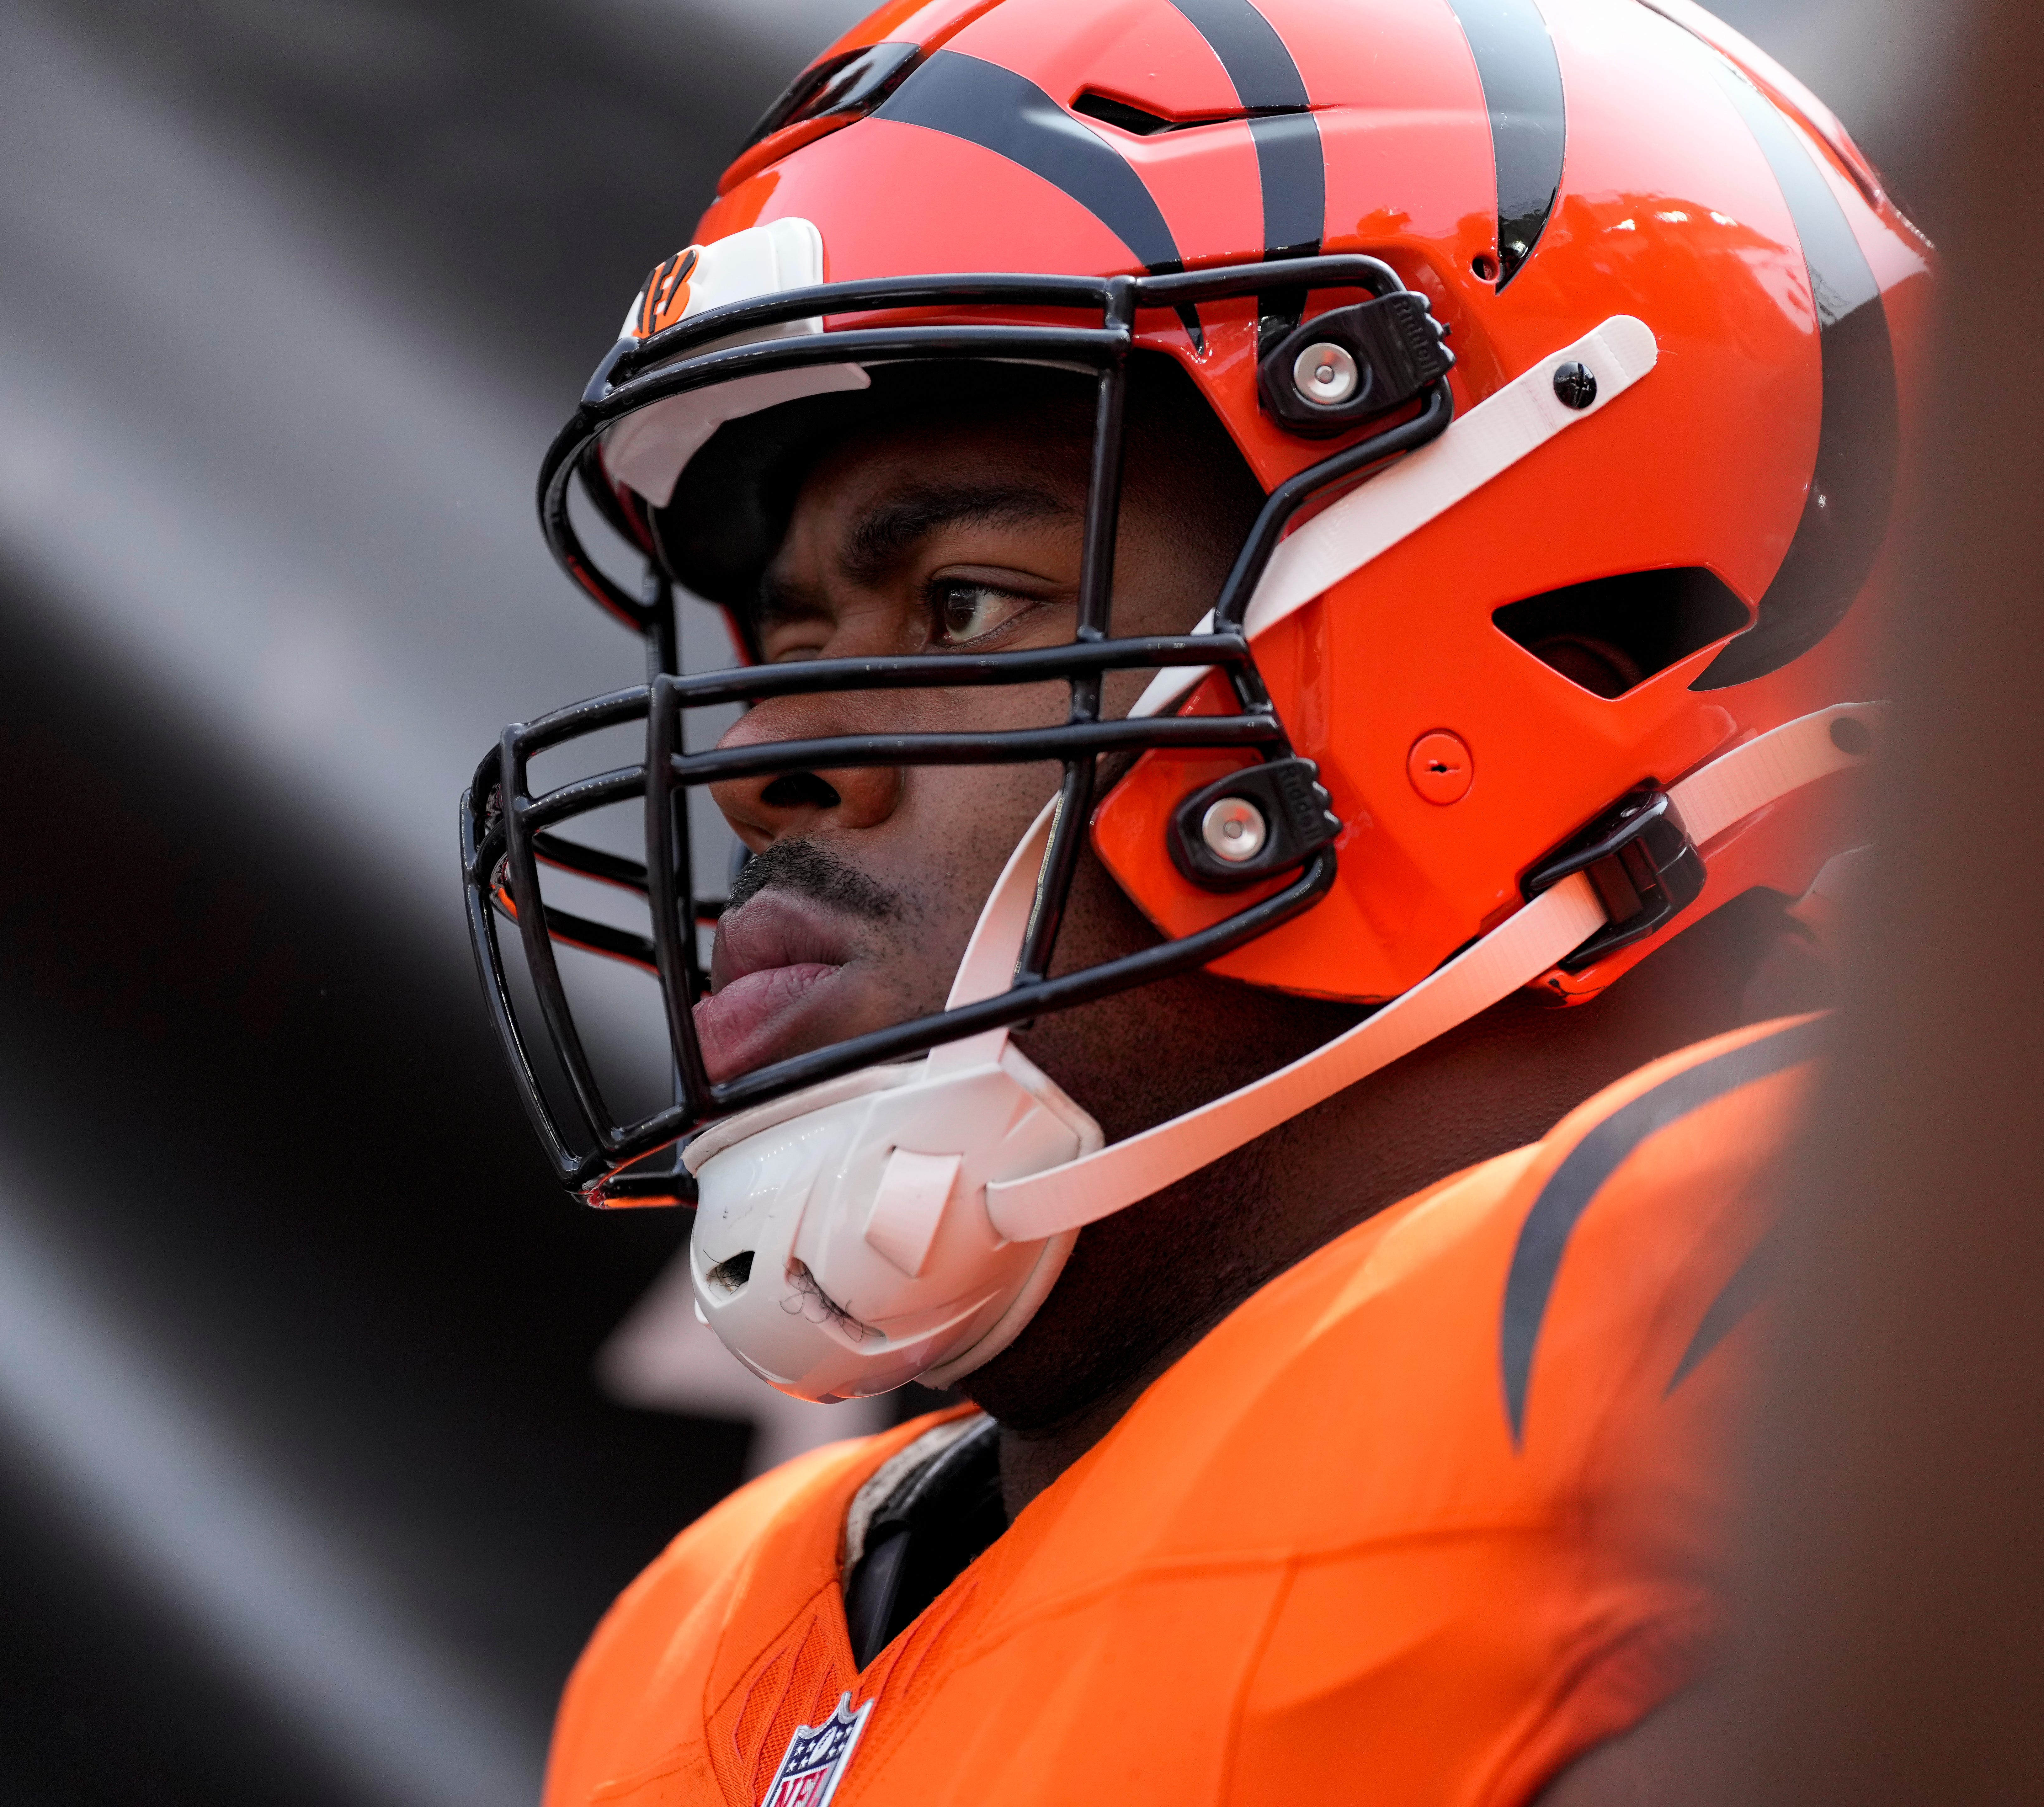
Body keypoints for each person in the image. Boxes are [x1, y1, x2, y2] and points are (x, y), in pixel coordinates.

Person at [460, 1, 1929, 1801]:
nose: (764, 752)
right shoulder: (706, 1654)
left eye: (961, 606)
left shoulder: (1790, 1339)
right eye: (778, 638)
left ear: (1575, 635)